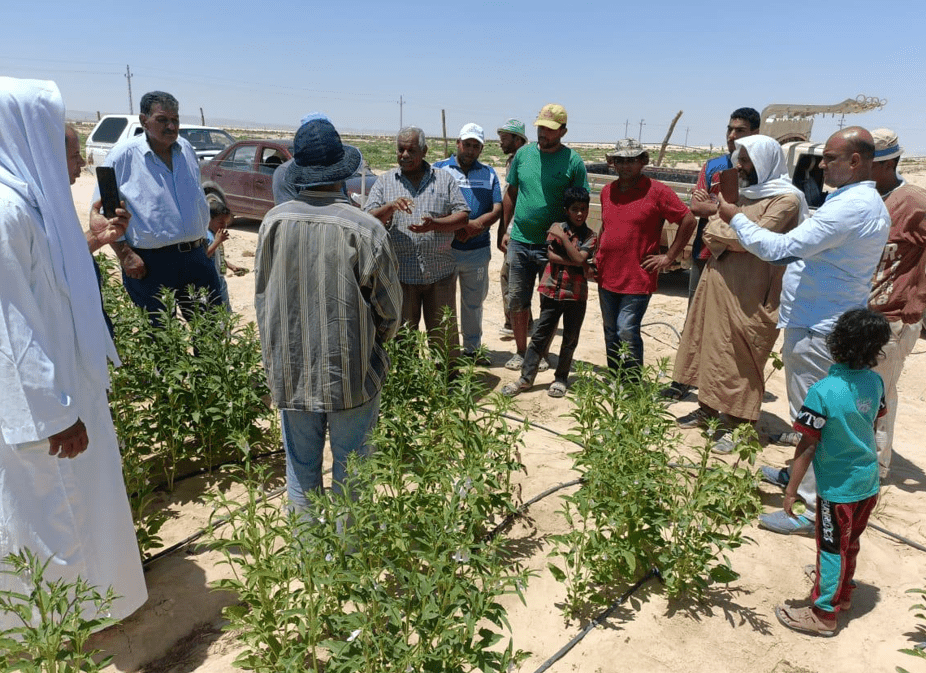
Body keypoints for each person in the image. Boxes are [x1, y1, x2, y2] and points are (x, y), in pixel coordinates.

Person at [0, 77, 147, 630]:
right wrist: (56, 413)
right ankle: (56, 630)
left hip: (65, 392)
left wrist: (99, 238)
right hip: (46, 415)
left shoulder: (27, 205)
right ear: (27, 139)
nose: (80, 167)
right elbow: (10, 333)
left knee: (77, 513)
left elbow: (52, 279)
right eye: (68, 151)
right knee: (55, 519)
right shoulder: (6, 213)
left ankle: (87, 611)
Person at [719, 127, 890, 535]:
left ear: (854, 161)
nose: (821, 165)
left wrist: (734, 218)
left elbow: (780, 248)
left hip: (819, 328)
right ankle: (801, 480)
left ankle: (811, 507)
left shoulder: (849, 208)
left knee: (814, 419)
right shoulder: (856, 202)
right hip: (822, 322)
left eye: (830, 158)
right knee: (814, 416)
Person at [255, 116, 401, 515]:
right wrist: (376, 342)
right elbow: (389, 312)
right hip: (351, 373)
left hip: (291, 370)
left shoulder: (273, 222)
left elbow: (263, 301)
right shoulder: (365, 228)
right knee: (351, 473)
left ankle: (310, 563)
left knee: (301, 471)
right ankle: (346, 567)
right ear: (344, 172)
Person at [673, 135, 806, 452]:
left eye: (746, 160)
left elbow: (754, 239)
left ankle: (739, 426)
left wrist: (724, 217)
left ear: (764, 162)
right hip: (718, 282)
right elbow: (711, 233)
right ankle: (707, 411)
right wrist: (726, 220)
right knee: (709, 346)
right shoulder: (742, 196)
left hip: (753, 291)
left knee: (742, 358)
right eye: (739, 160)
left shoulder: (786, 200)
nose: (740, 166)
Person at [774, 308, 891, 637]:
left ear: (835, 342)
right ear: (876, 348)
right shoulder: (876, 381)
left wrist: (791, 489)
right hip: (868, 482)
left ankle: (824, 613)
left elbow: (807, 446)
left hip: (837, 489)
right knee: (849, 542)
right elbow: (874, 421)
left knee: (829, 546)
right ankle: (844, 593)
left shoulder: (823, 391)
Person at [661, 107, 760, 401]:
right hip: (705, 253)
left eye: (739, 130)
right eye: (729, 129)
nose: (732, 136)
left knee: (732, 324)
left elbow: (756, 214)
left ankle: (719, 386)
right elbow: (696, 207)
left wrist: (716, 205)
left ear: (754, 133)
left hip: (740, 258)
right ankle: (685, 380)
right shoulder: (714, 165)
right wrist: (728, 209)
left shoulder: (759, 170)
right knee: (696, 317)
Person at [103, 90, 224, 321]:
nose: (171, 126)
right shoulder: (121, 156)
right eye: (162, 120)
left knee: (210, 332)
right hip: (149, 264)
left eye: (175, 120)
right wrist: (125, 254)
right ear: (143, 121)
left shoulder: (186, 149)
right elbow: (105, 213)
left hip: (196, 259)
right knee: (161, 339)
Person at [364, 127, 469, 357]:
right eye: (400, 149)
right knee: (402, 337)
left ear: (424, 151)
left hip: (439, 274)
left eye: (411, 150)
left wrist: (435, 225)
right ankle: (407, 385)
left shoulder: (444, 180)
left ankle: (448, 382)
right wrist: (390, 207)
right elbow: (367, 219)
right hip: (401, 277)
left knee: (444, 335)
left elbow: (462, 216)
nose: (404, 155)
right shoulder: (385, 182)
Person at [595, 138, 696, 375]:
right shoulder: (607, 191)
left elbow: (688, 220)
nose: (625, 166)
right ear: (613, 163)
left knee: (626, 330)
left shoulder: (658, 191)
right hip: (607, 272)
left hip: (638, 276)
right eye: (620, 160)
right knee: (610, 329)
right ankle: (615, 377)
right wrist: (596, 256)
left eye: (631, 160)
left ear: (643, 161)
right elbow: (606, 226)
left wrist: (669, 257)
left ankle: (631, 383)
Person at [500, 104, 588, 371]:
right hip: (520, 240)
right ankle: (520, 351)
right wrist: (503, 229)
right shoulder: (523, 156)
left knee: (550, 304)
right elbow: (511, 193)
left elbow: (579, 204)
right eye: (540, 127)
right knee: (517, 299)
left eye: (550, 129)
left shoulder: (573, 161)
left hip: (553, 247)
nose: (543, 133)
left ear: (563, 130)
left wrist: (571, 239)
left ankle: (540, 354)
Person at [866, 128, 926, 477]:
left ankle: (874, 468)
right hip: (859, 315)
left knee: (879, 395)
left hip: (893, 318)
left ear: (886, 163)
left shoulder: (914, 202)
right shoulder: (863, 197)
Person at [502, 186, 596, 398]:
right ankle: (526, 379)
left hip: (576, 295)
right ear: (566, 210)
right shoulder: (556, 226)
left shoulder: (590, 235)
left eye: (583, 209)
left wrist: (564, 241)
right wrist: (579, 262)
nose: (580, 213)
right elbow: (553, 257)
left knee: (570, 338)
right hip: (552, 291)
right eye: (575, 209)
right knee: (539, 337)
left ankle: (561, 378)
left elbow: (581, 258)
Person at [433, 123, 502, 362]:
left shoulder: (489, 173)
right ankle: (445, 352)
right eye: (467, 144)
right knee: (443, 305)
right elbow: (431, 205)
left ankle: (472, 350)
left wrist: (475, 228)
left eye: (476, 146)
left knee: (473, 304)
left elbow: (497, 209)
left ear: (481, 149)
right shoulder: (438, 170)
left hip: (477, 251)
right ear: (458, 143)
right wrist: (459, 226)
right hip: (445, 250)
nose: (470, 150)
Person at [497, 118, 528, 338]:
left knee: (511, 276)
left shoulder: (522, 160)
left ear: (517, 140)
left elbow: (513, 197)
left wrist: (505, 230)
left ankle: (516, 322)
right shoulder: (515, 159)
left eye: (504, 138)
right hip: (517, 229)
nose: (500, 142)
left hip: (519, 231)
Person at [205, 195, 233, 310]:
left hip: (220, 278)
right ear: (209, 219)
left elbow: (216, 255)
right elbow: (205, 255)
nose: (224, 226)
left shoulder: (216, 236)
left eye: (226, 223)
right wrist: (217, 241)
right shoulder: (207, 236)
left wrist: (231, 266)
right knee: (217, 311)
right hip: (211, 281)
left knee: (225, 311)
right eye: (221, 222)